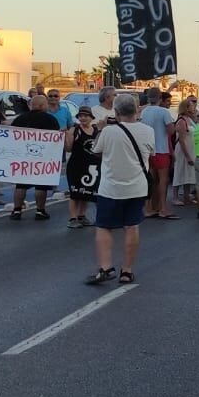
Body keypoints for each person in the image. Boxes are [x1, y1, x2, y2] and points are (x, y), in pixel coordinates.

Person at [86, 92, 154, 285]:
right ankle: (127, 270)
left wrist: (100, 129)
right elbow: (151, 152)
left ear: (116, 112)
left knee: (104, 227)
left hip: (111, 188)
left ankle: (106, 267)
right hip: (137, 187)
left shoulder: (108, 131)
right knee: (132, 226)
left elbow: (96, 152)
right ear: (136, 110)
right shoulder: (147, 131)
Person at [9, 94, 61, 222]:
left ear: (31, 105)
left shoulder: (20, 119)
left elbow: (11, 136)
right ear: (43, 106)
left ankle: (17, 210)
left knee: (20, 184)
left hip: (23, 157)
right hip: (43, 157)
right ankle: (40, 210)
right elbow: (56, 139)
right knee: (41, 185)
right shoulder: (50, 119)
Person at [141, 88, 176, 220]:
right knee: (163, 180)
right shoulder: (164, 112)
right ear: (160, 98)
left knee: (151, 180)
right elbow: (171, 130)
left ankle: (149, 207)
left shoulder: (144, 111)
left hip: (148, 149)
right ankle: (162, 208)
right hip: (161, 148)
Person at [65, 105, 100, 227]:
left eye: (86, 116)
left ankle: (81, 215)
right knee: (75, 192)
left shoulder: (95, 130)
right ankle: (73, 218)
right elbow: (68, 149)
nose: (83, 118)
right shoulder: (75, 130)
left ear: (91, 117)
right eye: (81, 116)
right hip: (76, 165)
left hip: (91, 166)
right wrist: (68, 137)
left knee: (87, 192)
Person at [170, 97, 198, 206]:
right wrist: (187, 156)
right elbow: (181, 140)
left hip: (191, 149)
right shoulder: (181, 121)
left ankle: (187, 197)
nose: (194, 107)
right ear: (186, 108)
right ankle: (175, 197)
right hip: (183, 151)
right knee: (179, 172)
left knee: (188, 174)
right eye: (191, 105)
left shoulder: (189, 119)